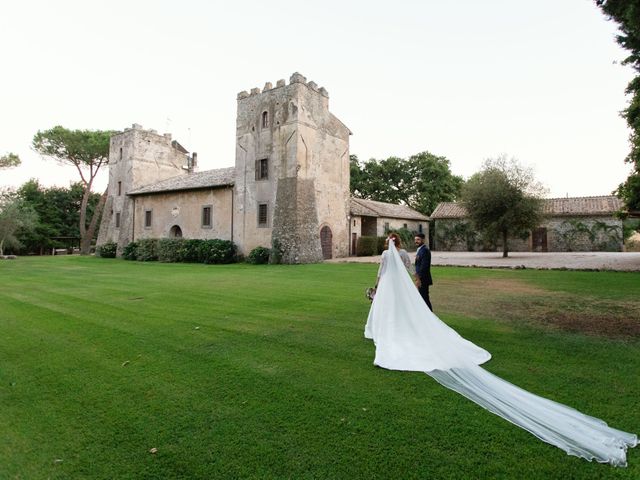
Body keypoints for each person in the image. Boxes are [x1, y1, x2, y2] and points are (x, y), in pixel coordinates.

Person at [364, 240, 637, 466]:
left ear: (388, 244)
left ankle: (391, 332)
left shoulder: (388, 257)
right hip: (399, 288)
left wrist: (379, 284)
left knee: (392, 315)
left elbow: (385, 272)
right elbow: (410, 266)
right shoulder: (401, 254)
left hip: (390, 289)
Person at [413, 233, 433, 311]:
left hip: (423, 279)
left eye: (418, 239)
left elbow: (424, 267)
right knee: (422, 298)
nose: (416, 241)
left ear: (423, 240)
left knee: (424, 298)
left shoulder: (425, 250)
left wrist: (419, 279)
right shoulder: (420, 250)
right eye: (415, 240)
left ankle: (431, 317)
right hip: (420, 278)